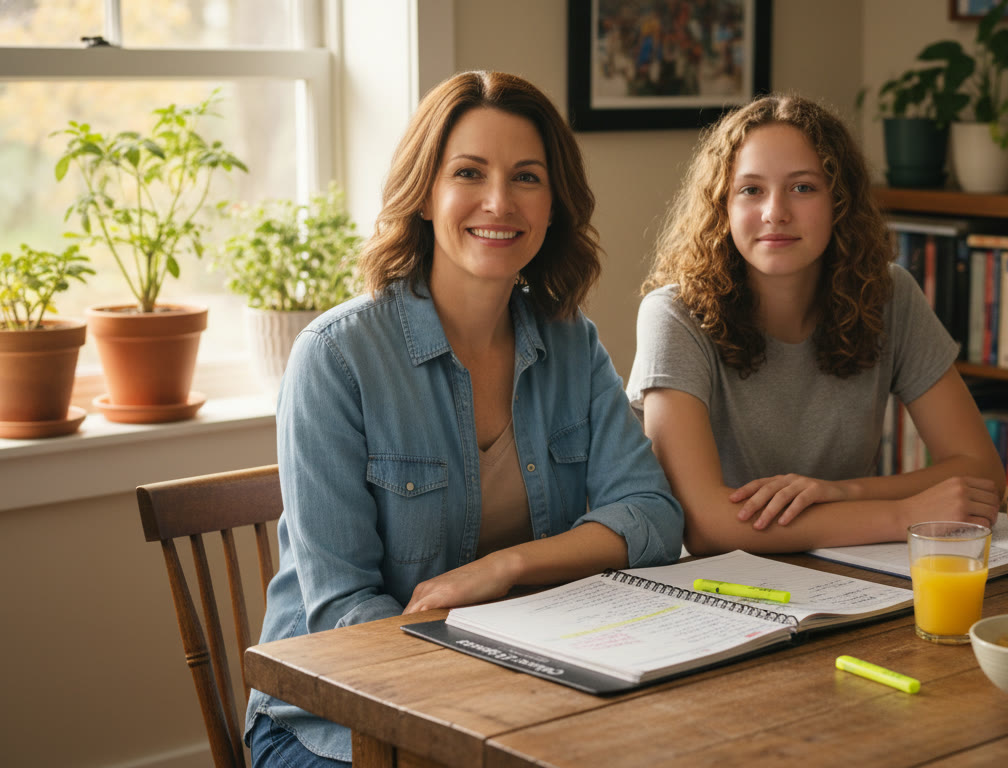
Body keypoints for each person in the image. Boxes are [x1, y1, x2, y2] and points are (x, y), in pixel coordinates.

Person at [246, 71, 684, 766]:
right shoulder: (336, 358)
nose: (499, 202)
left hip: (527, 703)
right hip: (331, 723)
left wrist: (504, 569)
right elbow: (342, 619)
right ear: (425, 193)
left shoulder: (573, 343)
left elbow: (653, 517)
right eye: (469, 173)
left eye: (527, 177)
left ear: (553, 203)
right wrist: (500, 686)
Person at [626, 93, 1003, 557]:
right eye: (751, 190)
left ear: (839, 202)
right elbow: (707, 527)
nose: (775, 212)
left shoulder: (889, 295)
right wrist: (904, 513)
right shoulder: (673, 315)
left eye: (803, 187)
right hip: (716, 584)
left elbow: (982, 474)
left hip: (853, 562)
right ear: (722, 206)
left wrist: (843, 492)